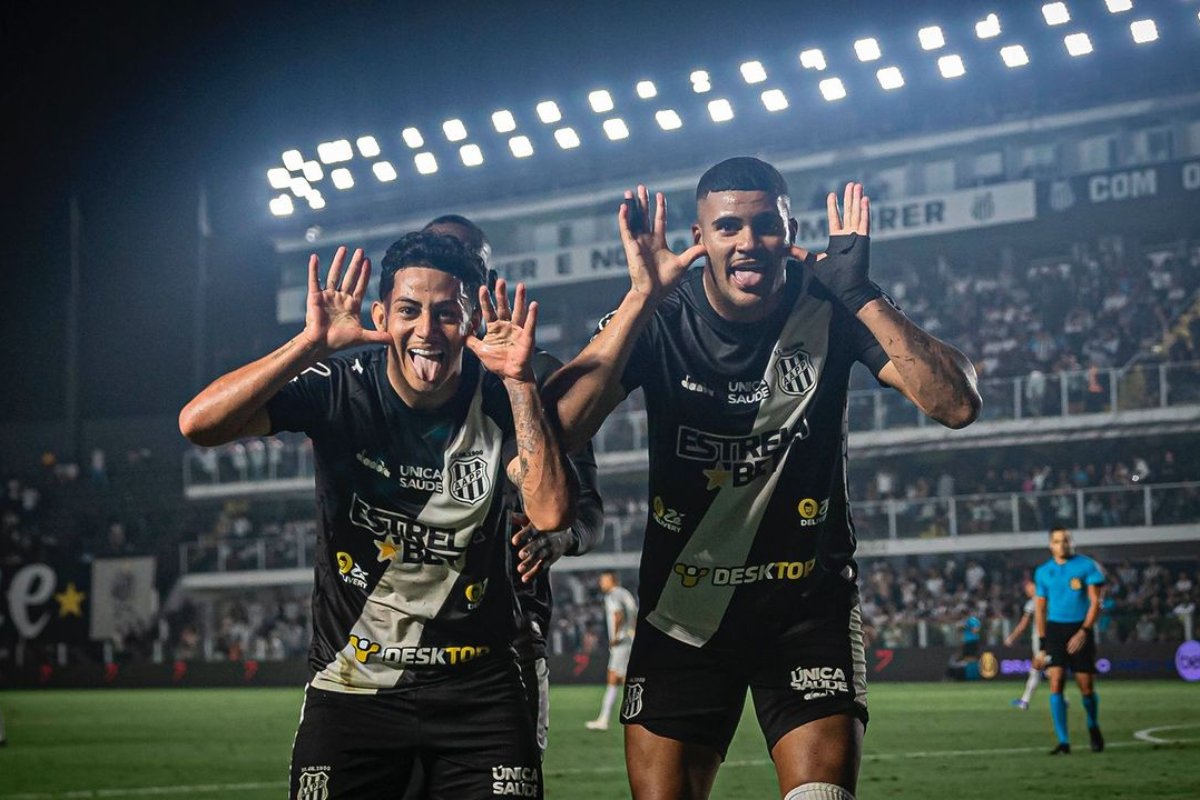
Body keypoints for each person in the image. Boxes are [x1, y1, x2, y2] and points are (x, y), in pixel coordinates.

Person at [545, 157, 980, 800]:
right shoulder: (663, 316)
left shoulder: (828, 308)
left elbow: (956, 405)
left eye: (764, 226)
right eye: (727, 227)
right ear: (700, 237)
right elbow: (554, 435)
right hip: (684, 613)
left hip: (806, 607)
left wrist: (859, 295)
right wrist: (640, 299)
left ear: (790, 229)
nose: (747, 242)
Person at [178, 234, 576, 799]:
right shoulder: (340, 387)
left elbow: (552, 511)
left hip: (479, 690)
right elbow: (199, 424)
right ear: (382, 315)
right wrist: (309, 343)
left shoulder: (496, 394)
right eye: (410, 311)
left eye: (447, 313)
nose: (427, 331)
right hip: (352, 683)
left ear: (471, 320)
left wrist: (520, 385)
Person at [423, 213, 606, 757]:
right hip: (389, 643)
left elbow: (588, 511)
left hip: (505, 632)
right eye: (433, 257)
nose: (448, 271)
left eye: (465, 263)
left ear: (485, 280)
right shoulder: (385, 376)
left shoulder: (538, 371)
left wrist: (557, 539)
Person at [1035, 526, 1106, 755]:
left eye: (1065, 540)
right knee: (1055, 683)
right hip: (1055, 630)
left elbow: (1095, 602)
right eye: (1057, 541)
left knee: (1086, 686)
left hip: (1080, 627)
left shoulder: (1086, 566)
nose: (1062, 544)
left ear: (1071, 542)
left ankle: (1093, 725)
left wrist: (1084, 630)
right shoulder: (1043, 572)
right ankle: (1064, 742)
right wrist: (1042, 644)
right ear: (1050, 545)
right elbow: (1040, 608)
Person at [587, 570, 639, 731]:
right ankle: (612, 717)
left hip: (621, 642)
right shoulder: (626, 594)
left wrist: (616, 636)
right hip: (629, 640)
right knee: (622, 678)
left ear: (612, 581)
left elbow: (618, 615)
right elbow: (634, 616)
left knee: (616, 678)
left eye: (604, 580)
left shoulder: (613, 595)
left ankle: (606, 719)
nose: (602, 584)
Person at [1004, 579, 1043, 709]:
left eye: (1030, 588)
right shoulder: (1051, 599)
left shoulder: (1032, 603)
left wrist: (1012, 638)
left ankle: (1024, 702)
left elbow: (1023, 625)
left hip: (1041, 638)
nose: (1029, 591)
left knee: (1037, 668)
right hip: (1054, 637)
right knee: (1045, 668)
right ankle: (1025, 700)